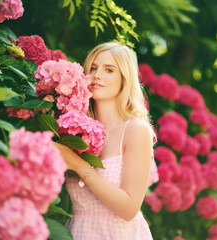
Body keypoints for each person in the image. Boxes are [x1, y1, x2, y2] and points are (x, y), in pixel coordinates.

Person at [56, 41, 158, 239]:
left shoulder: (136, 130)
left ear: (124, 79)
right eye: (93, 68)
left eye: (109, 70)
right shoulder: (72, 128)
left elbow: (129, 208)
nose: (97, 76)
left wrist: (77, 164)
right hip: (79, 232)